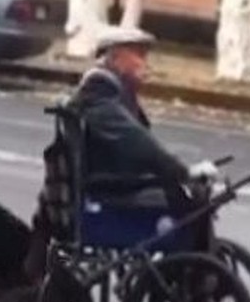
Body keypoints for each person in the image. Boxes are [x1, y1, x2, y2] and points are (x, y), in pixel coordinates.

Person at [23, 26, 219, 283]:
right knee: (192, 202)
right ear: (114, 58)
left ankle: (193, 276)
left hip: (116, 178)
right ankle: (194, 283)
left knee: (194, 196)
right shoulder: (99, 93)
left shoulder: (113, 91)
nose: (144, 62)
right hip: (112, 186)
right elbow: (136, 142)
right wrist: (182, 172)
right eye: (137, 54)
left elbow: (140, 143)